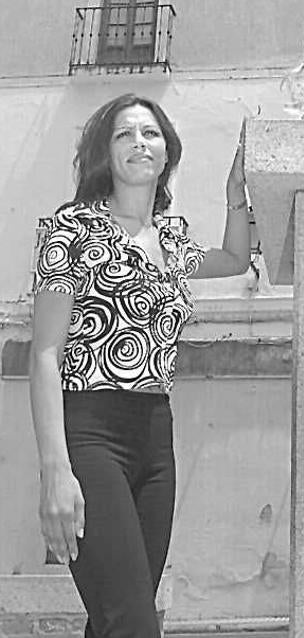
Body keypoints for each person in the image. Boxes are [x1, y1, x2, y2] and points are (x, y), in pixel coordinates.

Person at [29, 94, 251, 638]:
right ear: (105, 152)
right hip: (90, 434)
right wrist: (56, 471)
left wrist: (234, 194)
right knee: (132, 623)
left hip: (156, 438)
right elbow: (43, 354)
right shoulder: (71, 230)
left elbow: (235, 258)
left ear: (166, 151)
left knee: (117, 619)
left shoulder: (171, 239)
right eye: (124, 134)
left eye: (150, 134)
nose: (138, 143)